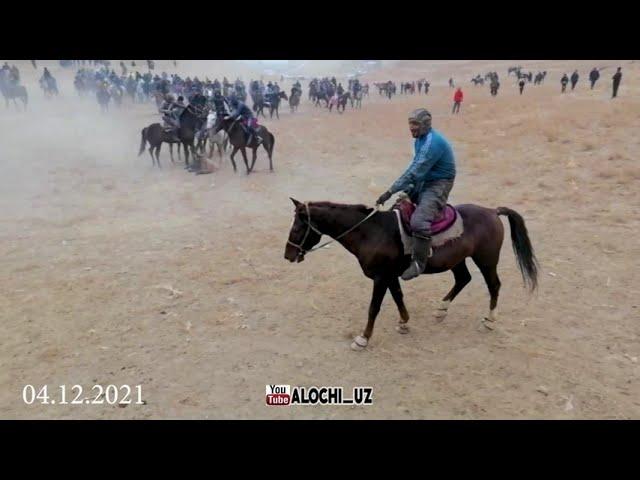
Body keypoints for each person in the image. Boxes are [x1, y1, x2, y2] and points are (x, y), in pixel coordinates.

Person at [375, 109, 456, 281]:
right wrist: (401, 191)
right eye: (410, 123)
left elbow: (414, 172)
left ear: (426, 124)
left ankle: (419, 262)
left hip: (439, 184)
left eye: (415, 124)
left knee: (418, 222)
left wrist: (390, 191)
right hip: (424, 179)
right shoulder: (420, 140)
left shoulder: (432, 144)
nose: (411, 127)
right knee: (399, 207)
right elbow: (414, 167)